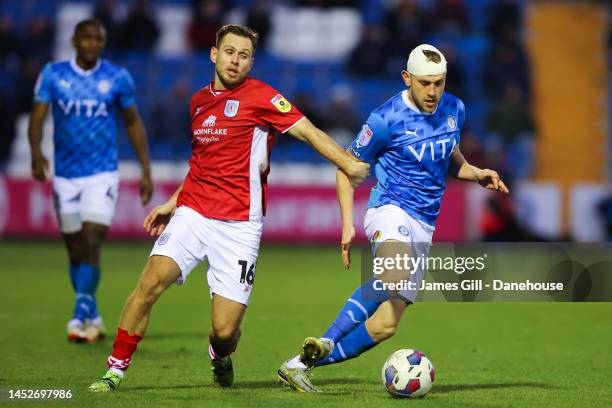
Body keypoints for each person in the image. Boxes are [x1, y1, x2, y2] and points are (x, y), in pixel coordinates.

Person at [88, 24, 369, 393]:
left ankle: (219, 355)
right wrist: (173, 204)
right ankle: (115, 370)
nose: (235, 60)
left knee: (224, 332)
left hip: (240, 226)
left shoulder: (263, 98)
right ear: (214, 54)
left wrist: (347, 164)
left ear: (251, 63)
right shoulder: (198, 103)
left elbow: (308, 132)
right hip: (194, 213)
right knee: (152, 281)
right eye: (230, 52)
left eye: (244, 55)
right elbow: (201, 162)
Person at [277, 44, 509, 392]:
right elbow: (346, 169)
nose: (432, 92)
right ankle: (327, 338)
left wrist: (475, 173)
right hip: (390, 208)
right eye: (425, 83)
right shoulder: (384, 120)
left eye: (439, 83)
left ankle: (299, 365)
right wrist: (346, 224)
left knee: (385, 325)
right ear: (407, 78)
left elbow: (449, 155)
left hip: (424, 224)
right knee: (394, 272)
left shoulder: (454, 109)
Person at [28, 19, 153, 343]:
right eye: (87, 38)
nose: (93, 43)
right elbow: (38, 117)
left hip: (102, 172)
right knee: (75, 249)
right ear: (74, 40)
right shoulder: (53, 74)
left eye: (99, 39)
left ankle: (78, 314)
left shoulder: (116, 77)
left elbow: (132, 122)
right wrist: (36, 153)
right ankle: (93, 312)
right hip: (66, 175)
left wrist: (145, 169)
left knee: (92, 239)